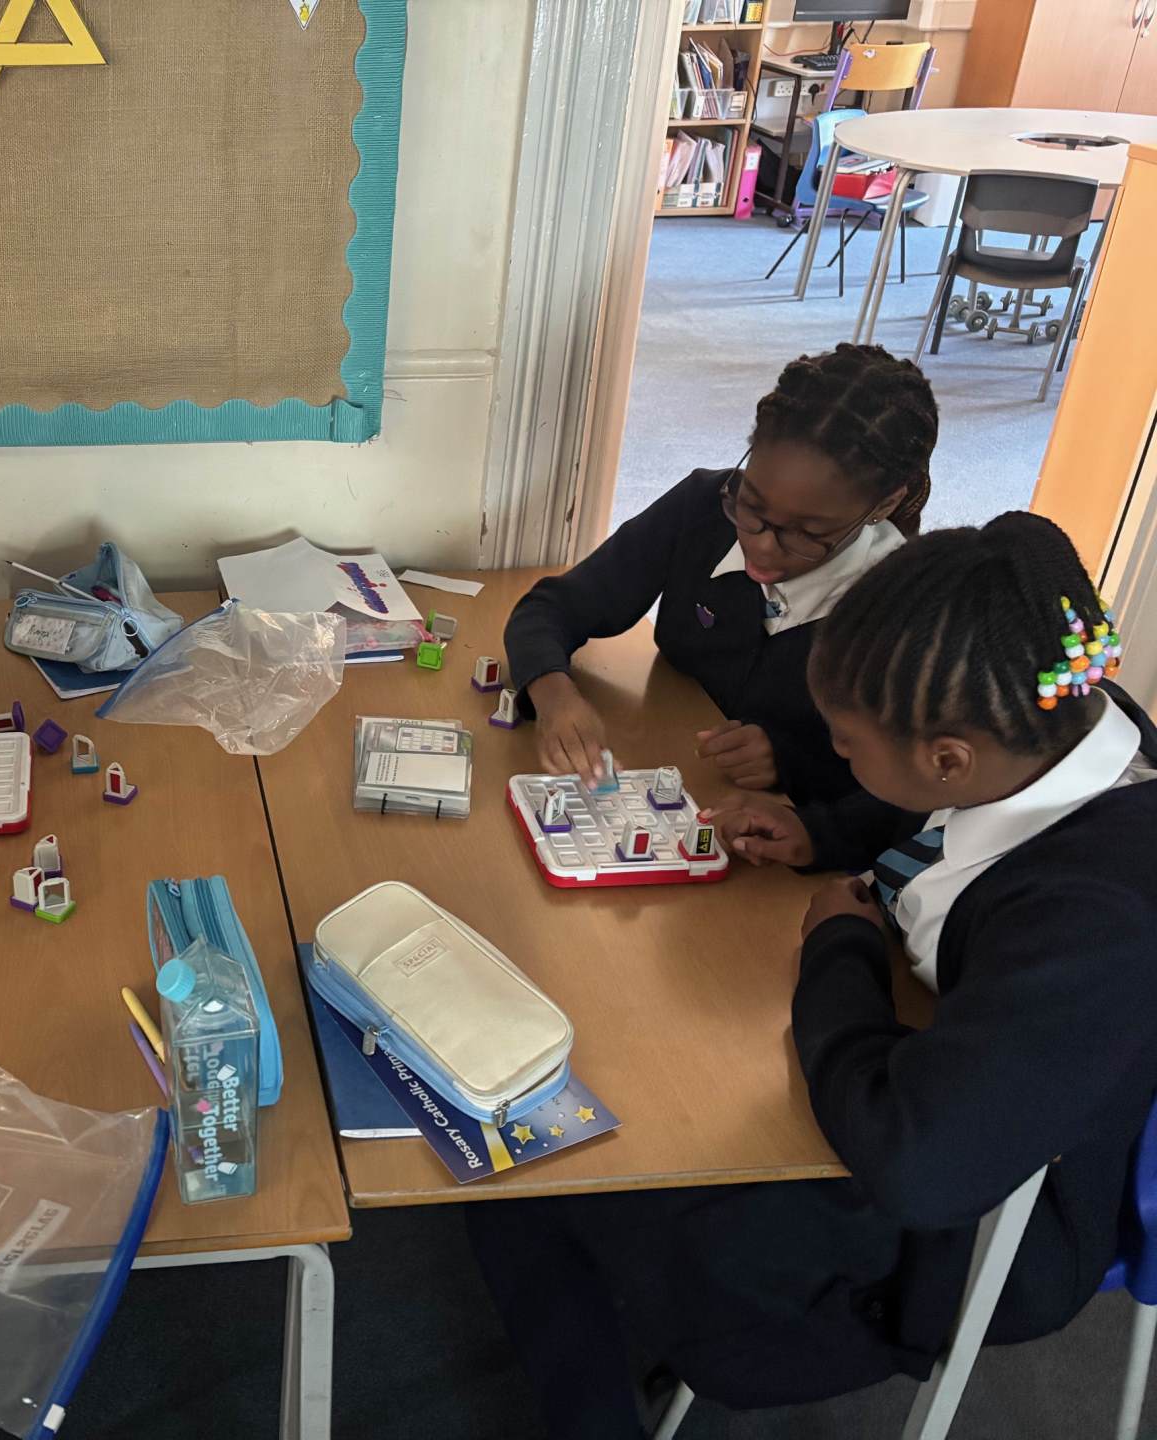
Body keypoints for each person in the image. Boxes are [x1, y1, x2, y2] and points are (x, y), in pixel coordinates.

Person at [470, 513, 1157, 1439]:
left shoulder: (1099, 920)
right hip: (953, 1083)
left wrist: (841, 955)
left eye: (846, 744)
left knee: (543, 1173)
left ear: (947, 758)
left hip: (981, 1231)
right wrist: (822, 833)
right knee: (619, 1100)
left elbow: (924, 1167)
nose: (835, 759)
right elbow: (939, 828)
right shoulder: (1066, 724)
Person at [503, 343, 937, 807]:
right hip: (674, 778)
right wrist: (554, 694)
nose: (761, 546)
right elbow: (549, 609)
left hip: (783, 828)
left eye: (808, 534)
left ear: (884, 505)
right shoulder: (703, 506)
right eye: (750, 506)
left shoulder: (906, 609)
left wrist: (792, 764)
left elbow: (917, 788)